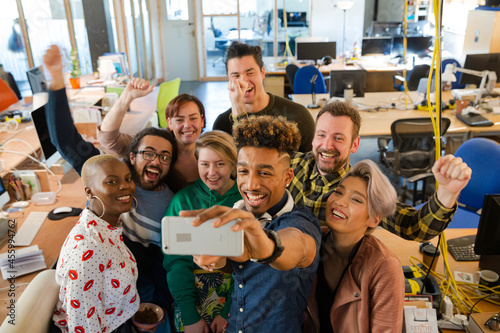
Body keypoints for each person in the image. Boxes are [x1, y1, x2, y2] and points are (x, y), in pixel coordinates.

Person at [43, 45, 176, 330]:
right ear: (131, 157)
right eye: (148, 153)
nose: (155, 161)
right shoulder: (110, 173)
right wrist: (55, 81)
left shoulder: (171, 198)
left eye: (164, 157)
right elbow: (65, 139)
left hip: (133, 284)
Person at [182, 116, 321, 332]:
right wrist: (217, 260)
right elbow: (241, 261)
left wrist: (263, 241)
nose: (251, 184)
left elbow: (294, 245)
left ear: (287, 176)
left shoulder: (302, 223)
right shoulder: (238, 211)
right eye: (243, 171)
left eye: (265, 173)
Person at [289, 101, 472, 241]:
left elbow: (413, 228)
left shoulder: (364, 190)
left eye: (338, 138)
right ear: (313, 139)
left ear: (354, 145)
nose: (327, 145)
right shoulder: (291, 164)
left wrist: (447, 193)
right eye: (321, 135)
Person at [304, 160, 405, 332]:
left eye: (356, 200)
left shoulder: (385, 268)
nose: (339, 202)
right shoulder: (310, 241)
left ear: (374, 219)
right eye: (338, 192)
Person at [164, 131, 241, 333]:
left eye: (220, 164)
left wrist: (227, 311)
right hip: (188, 292)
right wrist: (189, 316)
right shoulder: (182, 201)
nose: (212, 172)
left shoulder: (245, 200)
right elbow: (176, 262)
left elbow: (249, 265)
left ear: (233, 164)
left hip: (238, 293)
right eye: (205, 164)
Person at [52, 155, 139, 333]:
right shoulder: (88, 249)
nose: (125, 186)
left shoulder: (107, 227)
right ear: (89, 192)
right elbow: (84, 326)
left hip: (119, 321)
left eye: (128, 179)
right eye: (112, 181)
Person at [98, 83, 205, 192]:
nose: (187, 125)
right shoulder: (153, 145)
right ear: (170, 123)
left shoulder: (210, 152)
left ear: (202, 120)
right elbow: (108, 138)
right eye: (179, 120)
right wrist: (126, 98)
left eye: (193, 118)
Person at [212, 41, 315, 152]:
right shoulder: (222, 124)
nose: (244, 82)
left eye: (250, 73)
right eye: (236, 75)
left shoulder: (298, 115)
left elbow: (311, 165)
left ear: (263, 72)